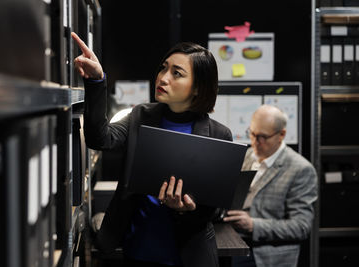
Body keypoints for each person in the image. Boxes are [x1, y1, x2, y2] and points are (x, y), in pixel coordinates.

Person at [71, 32, 232, 267]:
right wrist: (96, 81)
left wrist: (186, 210)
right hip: (137, 251)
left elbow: (214, 210)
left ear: (197, 87)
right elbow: (100, 139)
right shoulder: (140, 115)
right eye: (163, 68)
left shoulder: (219, 135)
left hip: (187, 257)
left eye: (176, 73)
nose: (163, 78)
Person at [223, 105, 318, 267]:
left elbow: (301, 226)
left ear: (281, 135)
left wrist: (254, 225)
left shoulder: (300, 169)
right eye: (251, 133)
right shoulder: (246, 157)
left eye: (262, 137)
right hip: (233, 245)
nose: (254, 142)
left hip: (266, 256)